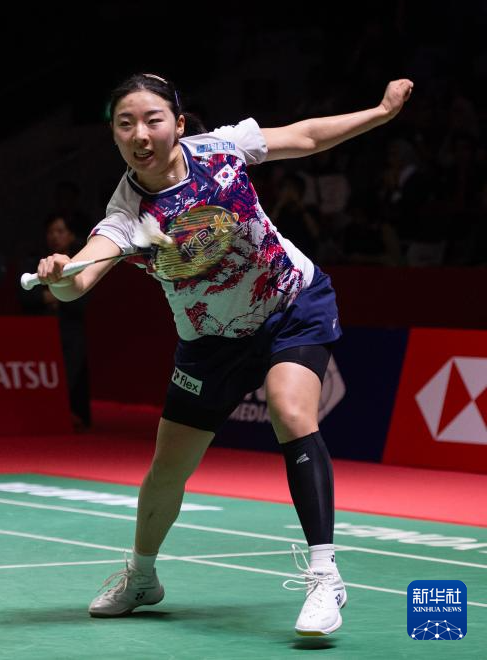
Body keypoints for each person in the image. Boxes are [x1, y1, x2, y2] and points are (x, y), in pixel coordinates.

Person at [36, 74, 413, 636]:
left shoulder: (222, 149)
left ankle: (324, 575)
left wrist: (379, 114)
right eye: (125, 124)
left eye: (152, 120)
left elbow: (306, 137)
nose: (140, 134)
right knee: (168, 468)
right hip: (210, 343)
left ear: (177, 124)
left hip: (290, 303)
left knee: (290, 412)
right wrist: (61, 275)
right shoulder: (127, 214)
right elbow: (81, 280)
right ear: (114, 136)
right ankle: (142, 577)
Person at [19, 211, 91, 429]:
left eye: (60, 231)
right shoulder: (37, 263)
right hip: (40, 333)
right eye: (50, 231)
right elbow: (25, 297)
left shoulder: (82, 263)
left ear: (71, 235)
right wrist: (54, 296)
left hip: (70, 332)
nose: (54, 236)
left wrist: (54, 295)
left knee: (72, 373)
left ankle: (72, 415)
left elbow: (82, 300)